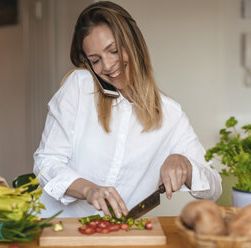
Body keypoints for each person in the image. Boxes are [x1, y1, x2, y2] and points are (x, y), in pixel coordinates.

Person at [33, 1, 222, 218]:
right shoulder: (79, 87)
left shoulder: (171, 115)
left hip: (117, 237)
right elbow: (46, 162)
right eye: (95, 60)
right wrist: (89, 189)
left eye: (113, 50)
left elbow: (214, 188)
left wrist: (186, 165)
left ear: (134, 44)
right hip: (57, 229)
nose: (108, 65)